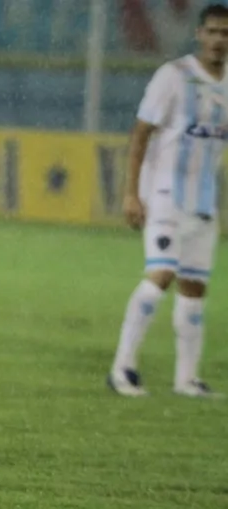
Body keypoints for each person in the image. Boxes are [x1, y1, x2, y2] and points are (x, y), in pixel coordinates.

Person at [107, 3, 228, 398]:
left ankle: (187, 379)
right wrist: (131, 193)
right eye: (212, 32)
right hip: (164, 195)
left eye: (225, 34)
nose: (218, 40)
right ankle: (122, 368)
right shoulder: (173, 77)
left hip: (204, 201)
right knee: (161, 276)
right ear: (199, 34)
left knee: (194, 288)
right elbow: (141, 133)